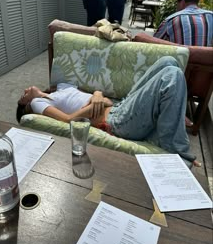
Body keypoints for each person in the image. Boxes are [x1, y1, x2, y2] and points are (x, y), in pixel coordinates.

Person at [17, 56, 200, 167]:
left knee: (169, 62)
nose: (25, 91)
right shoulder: (37, 103)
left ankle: (171, 108)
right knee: (172, 76)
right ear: (26, 105)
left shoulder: (60, 88)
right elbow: (67, 120)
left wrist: (97, 95)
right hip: (117, 120)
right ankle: (178, 155)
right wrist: (92, 106)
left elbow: (93, 96)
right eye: (22, 97)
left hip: (119, 105)